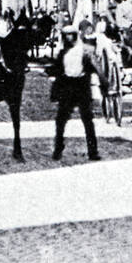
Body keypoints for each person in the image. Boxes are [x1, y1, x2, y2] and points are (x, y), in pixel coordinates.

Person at [51, 24, 99, 162]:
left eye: (70, 34)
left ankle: (93, 151)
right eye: (65, 35)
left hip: (81, 86)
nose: (68, 37)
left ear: (75, 35)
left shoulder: (85, 50)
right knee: (60, 121)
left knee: (88, 120)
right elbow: (57, 70)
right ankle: (58, 148)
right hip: (67, 87)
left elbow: (94, 67)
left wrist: (103, 80)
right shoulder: (62, 53)